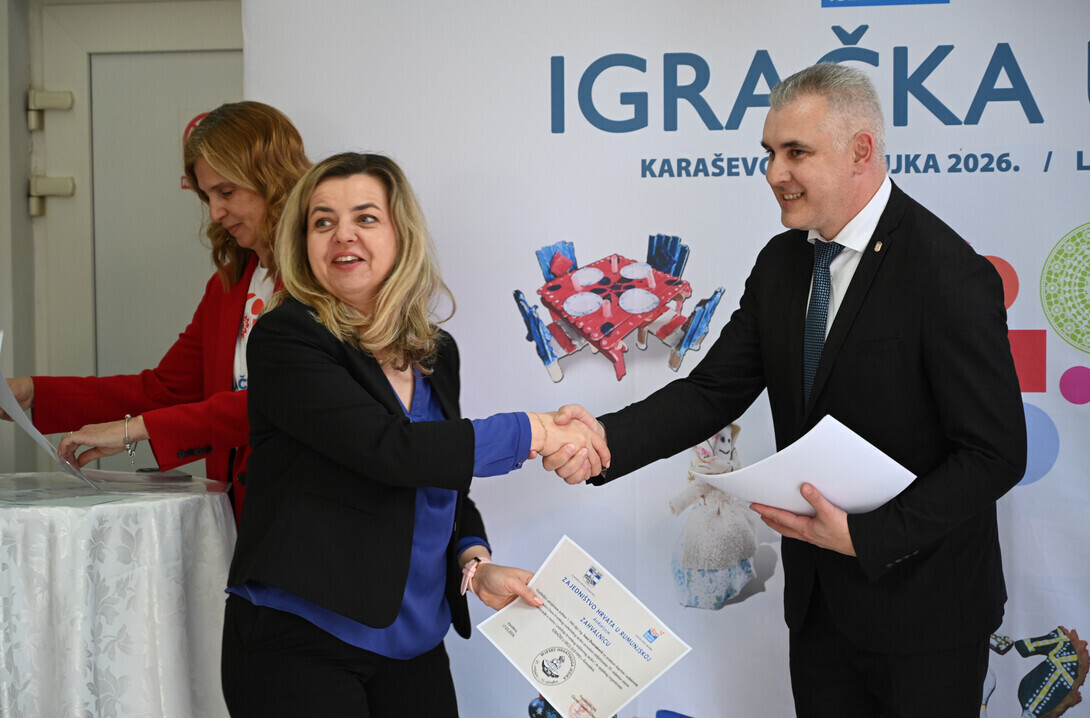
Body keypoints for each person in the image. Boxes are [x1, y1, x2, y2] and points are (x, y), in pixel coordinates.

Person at [546, 63, 1026, 717]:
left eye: (796, 152)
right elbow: (713, 391)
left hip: (927, 616)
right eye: (769, 152)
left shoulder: (947, 273)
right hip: (820, 610)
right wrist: (603, 439)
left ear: (861, 150)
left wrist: (869, 536)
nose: (775, 173)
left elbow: (994, 454)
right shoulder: (782, 262)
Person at [221, 151, 608, 717]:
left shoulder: (435, 351)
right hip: (301, 637)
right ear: (303, 244)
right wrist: (536, 430)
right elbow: (389, 451)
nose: (343, 235)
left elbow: (440, 479)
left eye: (365, 218)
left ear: (401, 234)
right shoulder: (286, 337)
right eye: (323, 222)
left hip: (415, 643)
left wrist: (474, 562)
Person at [0, 101, 311, 521]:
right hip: (244, 521)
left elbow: (278, 403)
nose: (215, 212)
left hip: (309, 516)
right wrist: (34, 394)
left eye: (226, 192)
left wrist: (134, 430)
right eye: (207, 196)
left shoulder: (322, 280)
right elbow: (166, 390)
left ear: (274, 179)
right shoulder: (229, 285)